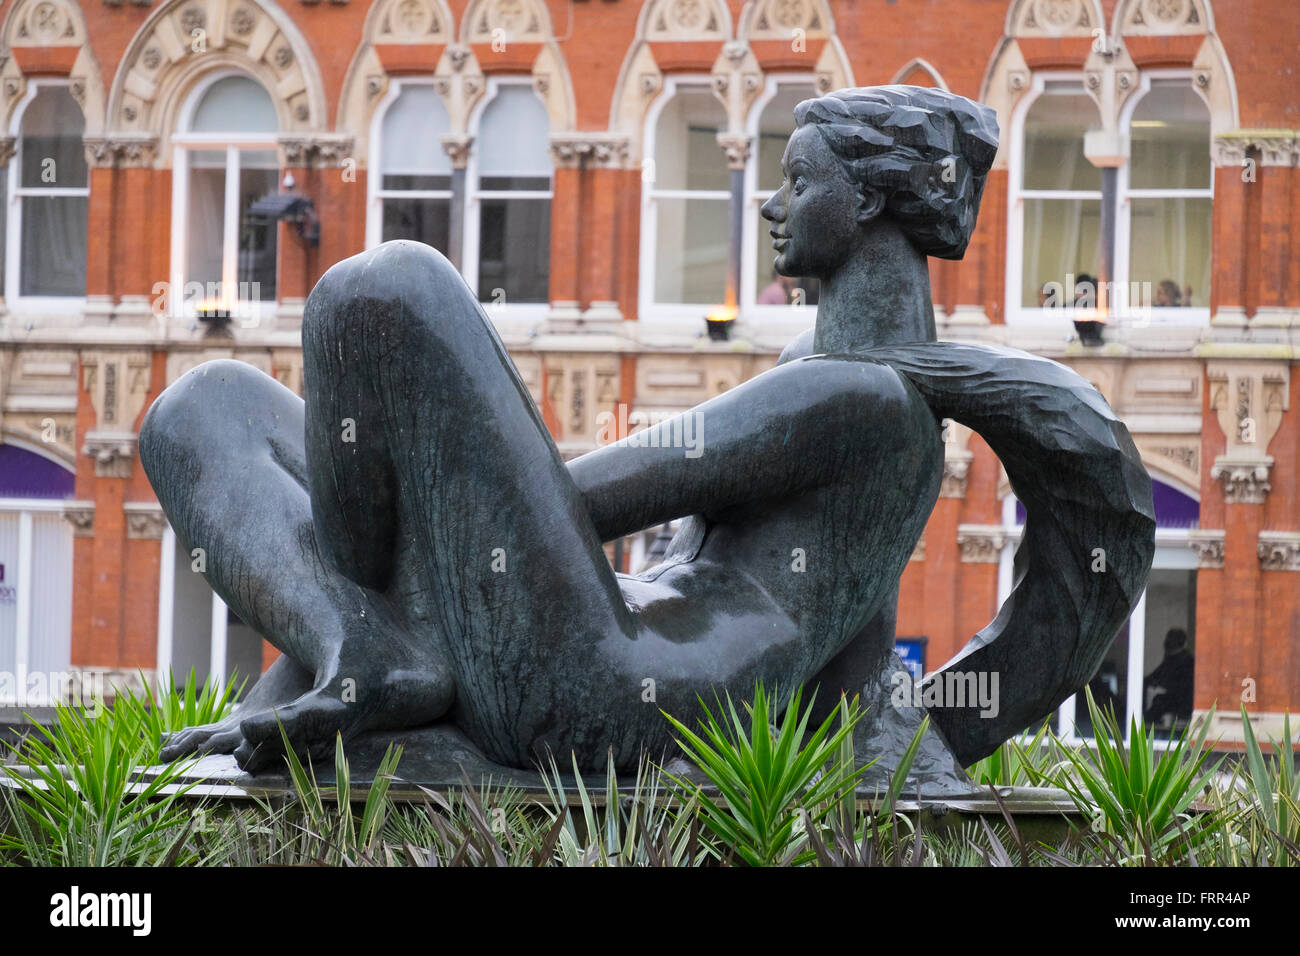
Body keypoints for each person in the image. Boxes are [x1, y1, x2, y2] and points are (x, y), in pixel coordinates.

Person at [141, 86, 1154, 773]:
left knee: (383, 290)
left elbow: (579, 503)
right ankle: (350, 646)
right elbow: (846, 660)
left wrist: (421, 478)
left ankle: (369, 649)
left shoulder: (859, 401)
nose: (769, 202)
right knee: (200, 404)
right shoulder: (867, 404)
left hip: (615, 688)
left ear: (875, 199)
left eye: (797, 179)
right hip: (582, 645)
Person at [1144, 628, 1195, 727]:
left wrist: (1158, 685)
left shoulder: (1185, 661)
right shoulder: (1172, 658)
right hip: (1172, 699)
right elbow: (1156, 675)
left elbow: (1179, 687)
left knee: (1157, 703)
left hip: (1181, 703)